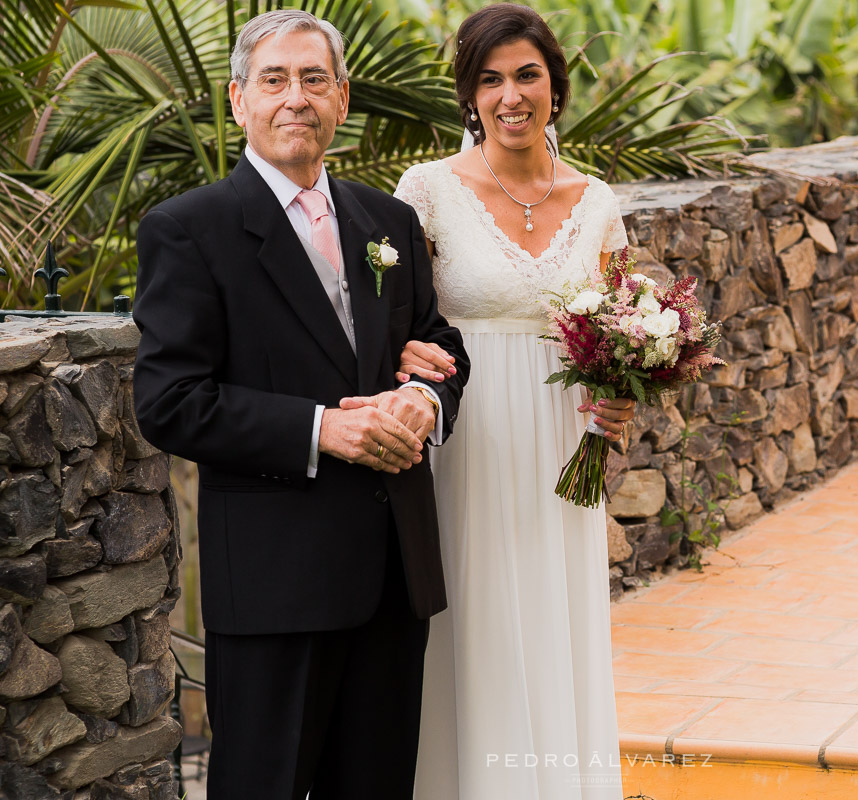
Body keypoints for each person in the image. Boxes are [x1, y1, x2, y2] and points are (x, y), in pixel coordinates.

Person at [131, 9, 468, 798]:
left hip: (394, 571)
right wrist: (328, 431)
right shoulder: (189, 230)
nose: (296, 97)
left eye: (314, 79)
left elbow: (437, 341)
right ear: (239, 99)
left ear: (342, 99)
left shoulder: (389, 222)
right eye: (274, 79)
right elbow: (171, 403)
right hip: (276, 584)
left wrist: (425, 397)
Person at [391, 4, 634, 797]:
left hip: (565, 448)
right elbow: (398, 323)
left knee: (554, 621)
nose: (510, 95)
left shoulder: (597, 201)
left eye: (527, 74)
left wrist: (620, 399)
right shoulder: (426, 190)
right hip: (463, 431)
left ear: (554, 88)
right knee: (471, 620)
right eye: (490, 80)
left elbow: (619, 332)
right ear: (469, 95)